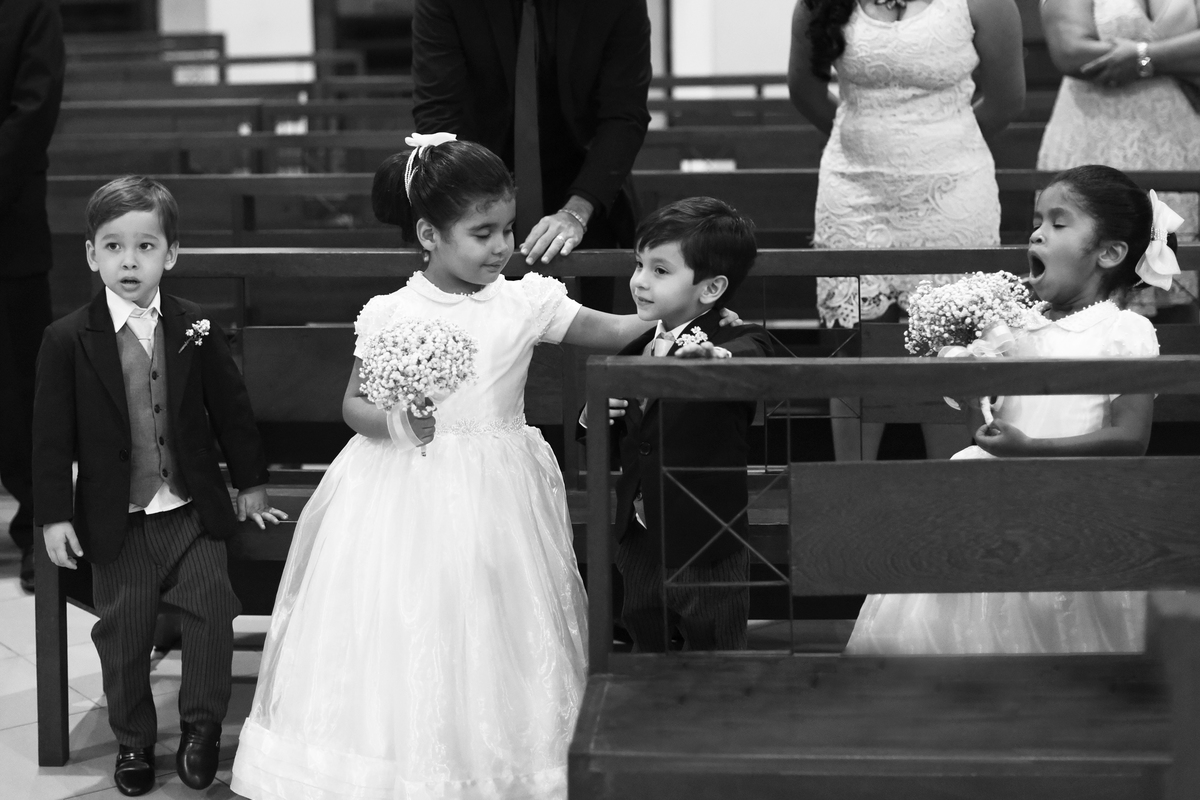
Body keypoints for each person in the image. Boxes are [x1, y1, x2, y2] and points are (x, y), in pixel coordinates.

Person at [231, 134, 745, 800]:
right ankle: (400, 763)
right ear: (428, 233)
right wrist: (397, 422)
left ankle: (502, 758)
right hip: (404, 487)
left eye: (507, 228)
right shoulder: (394, 312)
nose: (502, 246)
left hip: (500, 484)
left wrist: (689, 313)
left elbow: (618, 330)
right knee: (411, 615)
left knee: (496, 615)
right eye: (483, 233)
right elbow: (355, 404)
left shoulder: (525, 301)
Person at [847, 165, 1173, 655]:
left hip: (1077, 503)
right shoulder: (1007, 326)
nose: (1038, 232)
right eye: (1038, 220)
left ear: (1109, 253)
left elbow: (1131, 438)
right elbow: (982, 430)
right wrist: (969, 367)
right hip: (991, 493)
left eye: (1059, 224)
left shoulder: (1123, 331)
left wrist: (1032, 449)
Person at [32, 176, 286, 796]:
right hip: (117, 522)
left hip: (192, 512)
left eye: (145, 246)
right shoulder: (66, 339)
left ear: (170, 254)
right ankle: (134, 740)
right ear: (92, 255)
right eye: (113, 246)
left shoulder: (195, 325)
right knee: (122, 631)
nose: (129, 260)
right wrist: (53, 515)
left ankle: (201, 730)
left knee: (211, 614)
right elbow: (48, 436)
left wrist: (250, 484)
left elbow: (231, 410)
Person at [786, 0, 1025, 461]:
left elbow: (1006, 98)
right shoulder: (818, 3)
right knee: (854, 350)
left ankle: (953, 493)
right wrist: (862, 136)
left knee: (955, 347)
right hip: (854, 188)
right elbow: (806, 90)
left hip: (954, 189)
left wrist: (945, 141)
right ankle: (854, 493)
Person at [583, 198, 774, 652]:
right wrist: (592, 415)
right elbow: (628, 434)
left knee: (715, 640)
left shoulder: (732, 338)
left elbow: (764, 352)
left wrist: (719, 359)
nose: (639, 282)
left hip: (706, 534)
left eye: (660, 271)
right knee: (642, 627)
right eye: (639, 265)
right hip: (638, 533)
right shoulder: (638, 344)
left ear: (710, 289)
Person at [411, 0, 651, 310]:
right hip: (473, 191)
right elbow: (438, 114)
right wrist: (471, 213)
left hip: (586, 188)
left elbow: (625, 115)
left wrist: (577, 211)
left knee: (585, 341)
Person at [1038, 0, 1200, 322]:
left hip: (1176, 140)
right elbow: (1072, 52)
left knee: (1176, 271)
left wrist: (1142, 55)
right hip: (1093, 134)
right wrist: (1180, 57)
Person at [0, 0, 64, 594]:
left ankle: (36, 527)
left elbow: (34, 106)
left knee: (19, 389)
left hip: (7, 222)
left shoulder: (29, 9)